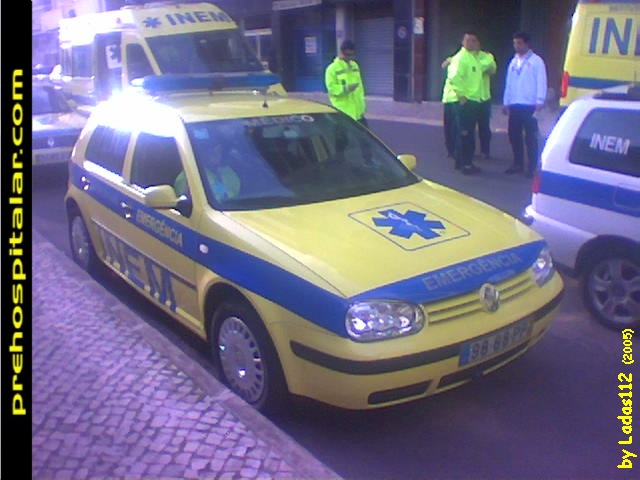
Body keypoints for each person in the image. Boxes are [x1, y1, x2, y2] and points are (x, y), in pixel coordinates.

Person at [502, 31, 548, 178]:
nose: (516, 46)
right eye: (515, 43)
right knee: (514, 135)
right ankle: (517, 163)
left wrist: (540, 100)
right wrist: (506, 102)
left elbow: (542, 81)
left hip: (529, 104)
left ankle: (532, 166)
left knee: (530, 137)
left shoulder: (536, 61)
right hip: (515, 103)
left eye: (519, 43)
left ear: (527, 44)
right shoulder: (513, 62)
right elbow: (508, 83)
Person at [444, 31, 489, 175]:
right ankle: (467, 165)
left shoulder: (472, 58)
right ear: (463, 42)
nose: (471, 43)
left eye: (474, 40)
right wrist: (462, 96)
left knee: (465, 133)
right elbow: (454, 78)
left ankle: (460, 161)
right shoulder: (461, 58)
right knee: (466, 134)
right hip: (466, 102)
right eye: (468, 40)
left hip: (474, 100)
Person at [175, 140, 240, 202]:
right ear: (203, 153)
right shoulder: (188, 176)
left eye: (218, 150)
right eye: (211, 151)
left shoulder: (229, 173)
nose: (215, 155)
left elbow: (238, 196)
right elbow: (185, 205)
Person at [325, 40, 368, 127]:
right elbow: (331, 89)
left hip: (358, 112)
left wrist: (362, 106)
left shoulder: (354, 66)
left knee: (365, 137)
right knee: (342, 139)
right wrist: (346, 89)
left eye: (351, 55)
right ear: (341, 52)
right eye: (347, 55)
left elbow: (360, 87)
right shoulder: (332, 69)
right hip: (342, 112)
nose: (349, 58)